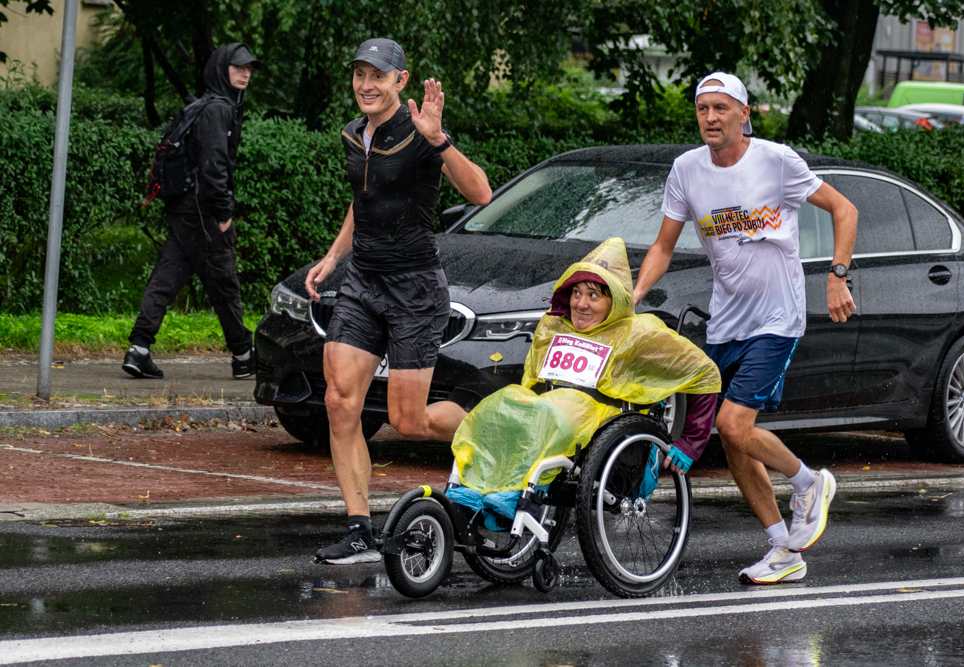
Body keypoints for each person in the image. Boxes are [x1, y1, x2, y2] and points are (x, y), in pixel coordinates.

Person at [633, 72, 858, 585]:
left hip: (778, 317)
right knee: (734, 442)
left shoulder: (776, 161)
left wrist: (837, 276)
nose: (710, 118)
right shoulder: (686, 170)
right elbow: (664, 246)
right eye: (702, 109)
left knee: (733, 424)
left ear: (744, 113)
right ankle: (784, 549)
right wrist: (636, 293)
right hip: (727, 321)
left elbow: (845, 210)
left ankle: (809, 483)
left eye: (721, 108)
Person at [309, 39, 492, 565]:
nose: (367, 84)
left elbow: (480, 193)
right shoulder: (351, 134)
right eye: (360, 74)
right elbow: (362, 198)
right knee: (339, 403)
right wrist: (332, 257)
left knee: (408, 421)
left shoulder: (420, 134)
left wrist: (440, 140)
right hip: (364, 281)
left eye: (378, 76)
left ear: (401, 81)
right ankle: (360, 529)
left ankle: (484, 429)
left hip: (414, 288)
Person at [449, 237, 720, 522]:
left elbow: (705, 372)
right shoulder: (554, 326)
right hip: (552, 406)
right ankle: (476, 491)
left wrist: (691, 441)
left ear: (613, 301)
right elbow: (533, 377)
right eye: (576, 293)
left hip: (599, 416)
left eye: (593, 296)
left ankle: (509, 495)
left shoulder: (639, 333)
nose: (581, 304)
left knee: (547, 418)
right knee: (494, 410)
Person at [123, 43, 260, 380]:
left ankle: (138, 349)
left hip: (184, 206)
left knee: (167, 276)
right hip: (203, 210)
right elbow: (215, 167)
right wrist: (224, 213)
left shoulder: (208, 106)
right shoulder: (217, 110)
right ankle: (244, 355)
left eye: (249, 68)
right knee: (224, 280)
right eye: (238, 67)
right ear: (221, 69)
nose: (246, 73)